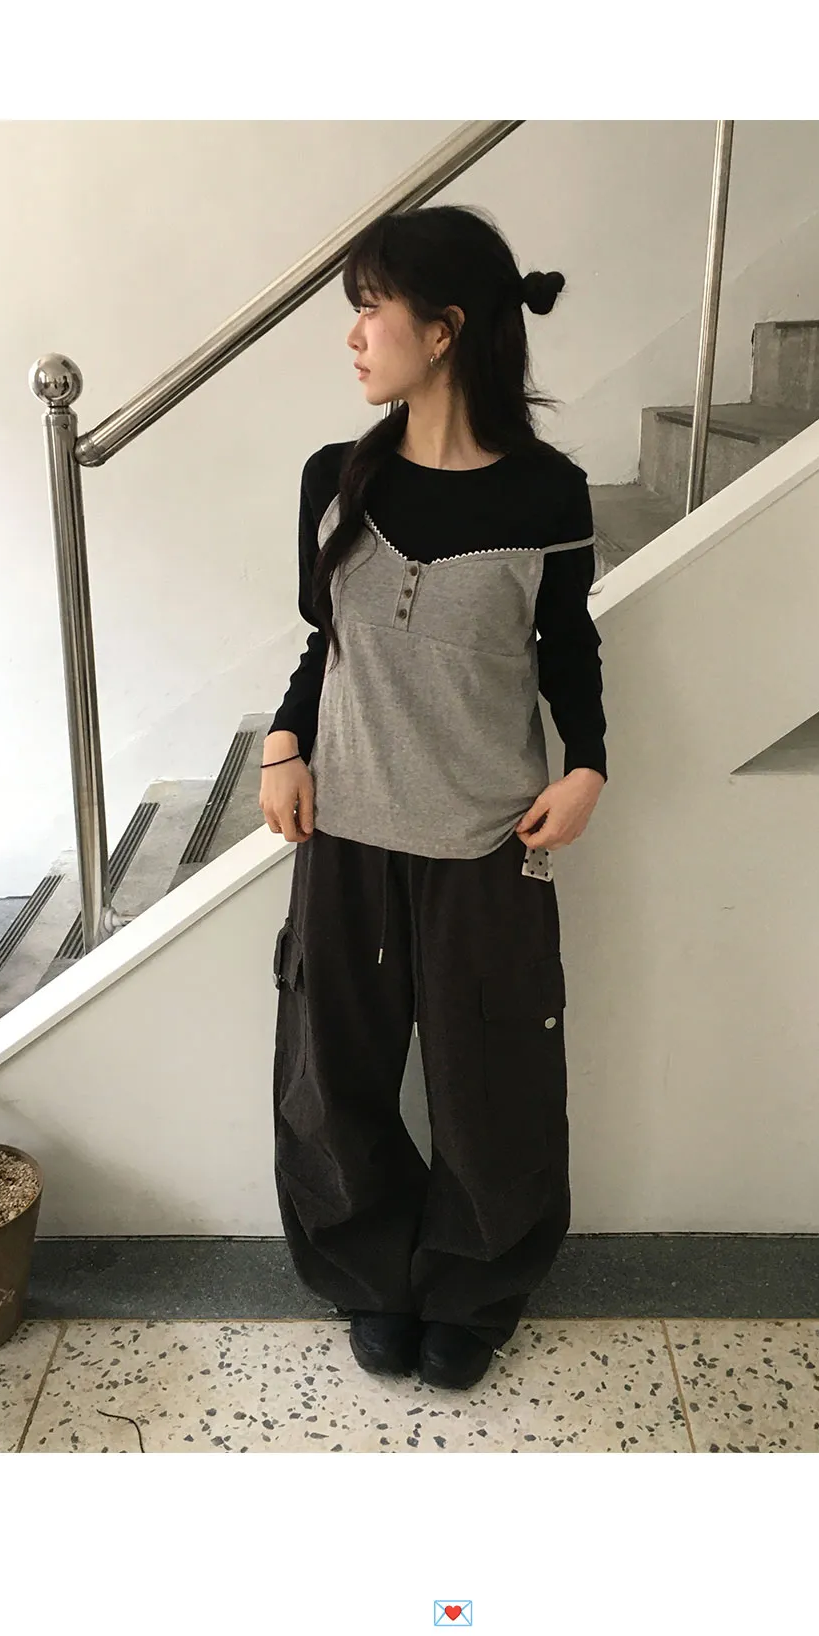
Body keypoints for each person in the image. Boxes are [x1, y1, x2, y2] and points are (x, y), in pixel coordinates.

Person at [259, 204, 606, 1386]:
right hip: (346, 830)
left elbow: (569, 649)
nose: (354, 334)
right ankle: (371, 1273)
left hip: (487, 839)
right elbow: (327, 643)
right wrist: (284, 743)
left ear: (445, 328)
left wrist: (587, 763)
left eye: (372, 308)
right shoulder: (333, 478)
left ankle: (477, 1282)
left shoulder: (549, 493)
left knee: (494, 1086)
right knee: (333, 1076)